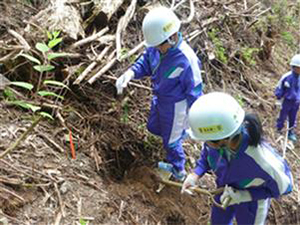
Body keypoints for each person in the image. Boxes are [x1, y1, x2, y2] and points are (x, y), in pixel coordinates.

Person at [115, 6, 203, 180]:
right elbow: (146, 61)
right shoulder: (157, 48)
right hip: (160, 99)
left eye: (158, 46)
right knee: (154, 127)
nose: (156, 49)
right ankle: (178, 136)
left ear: (172, 38)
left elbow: (195, 92)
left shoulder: (186, 60)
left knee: (171, 141)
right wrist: (130, 73)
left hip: (176, 106)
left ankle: (178, 169)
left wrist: (195, 118)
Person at [181, 92, 293, 225]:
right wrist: (195, 174)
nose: (205, 143)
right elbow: (207, 154)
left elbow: (285, 187)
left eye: (207, 140)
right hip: (223, 192)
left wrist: (245, 196)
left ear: (223, 140)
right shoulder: (215, 143)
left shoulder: (262, 160)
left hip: (252, 204)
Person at [275, 53, 300, 142]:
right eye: (298, 67)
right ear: (294, 67)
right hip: (286, 101)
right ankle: (279, 128)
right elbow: (279, 87)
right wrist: (278, 96)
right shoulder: (287, 77)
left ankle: (290, 132)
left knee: (293, 117)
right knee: (282, 116)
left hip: (296, 102)